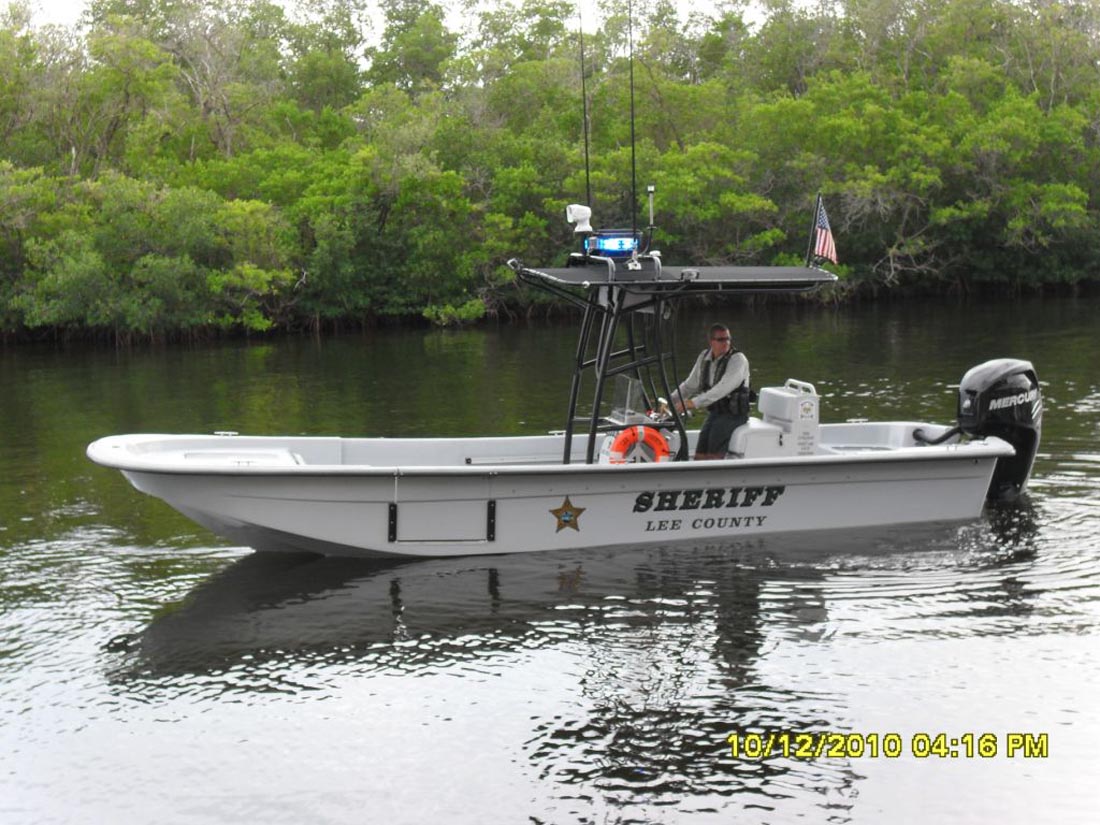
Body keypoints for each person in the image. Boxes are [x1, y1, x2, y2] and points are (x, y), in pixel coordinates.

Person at [671, 323, 751, 460]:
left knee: (714, 444)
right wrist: (670, 400)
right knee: (701, 446)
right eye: (721, 339)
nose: (726, 342)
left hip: (734, 416)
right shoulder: (704, 357)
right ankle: (698, 474)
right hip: (715, 413)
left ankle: (714, 477)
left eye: (728, 339)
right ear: (711, 341)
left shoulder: (738, 360)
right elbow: (690, 385)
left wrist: (692, 403)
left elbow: (720, 390)